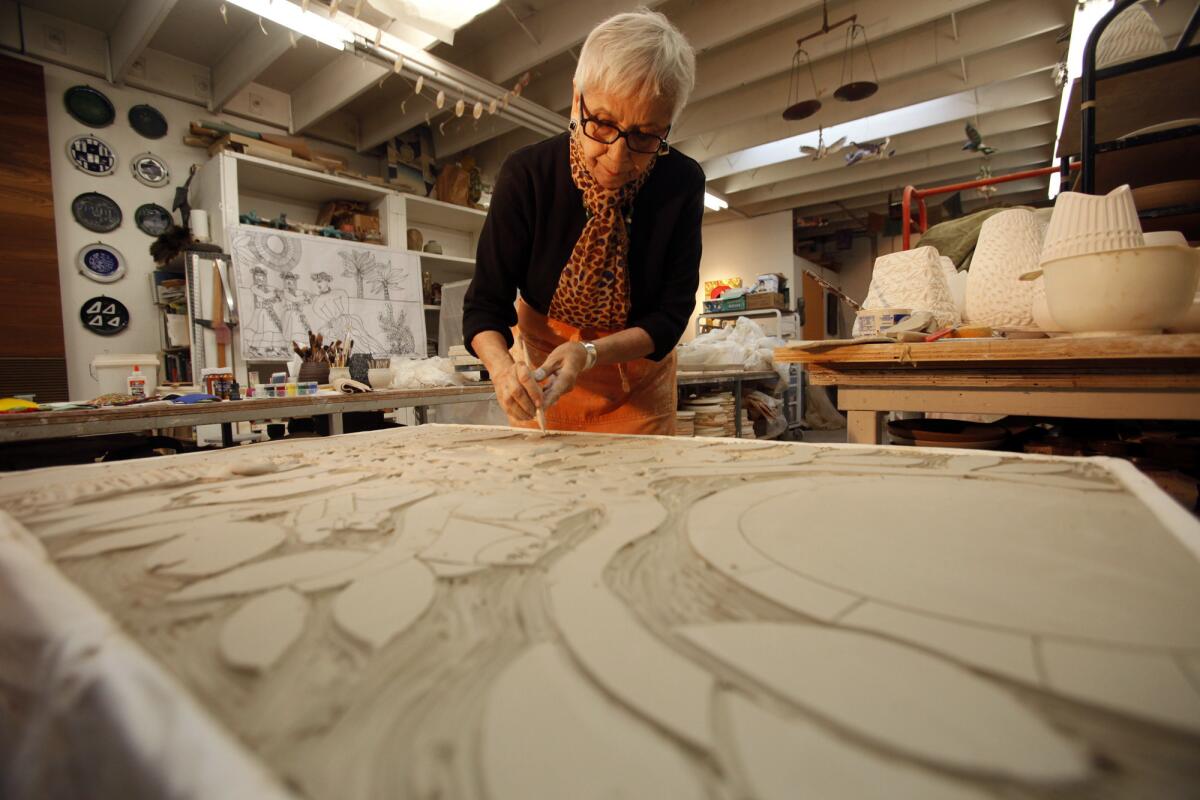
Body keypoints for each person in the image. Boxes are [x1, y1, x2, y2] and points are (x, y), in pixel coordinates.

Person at [463, 9, 703, 435]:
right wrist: (503, 370)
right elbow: (485, 304)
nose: (617, 157)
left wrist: (589, 352)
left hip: (638, 386)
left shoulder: (681, 183)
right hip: (546, 383)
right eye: (603, 124)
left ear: (668, 126)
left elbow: (670, 315)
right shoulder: (528, 175)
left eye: (645, 137)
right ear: (577, 97)